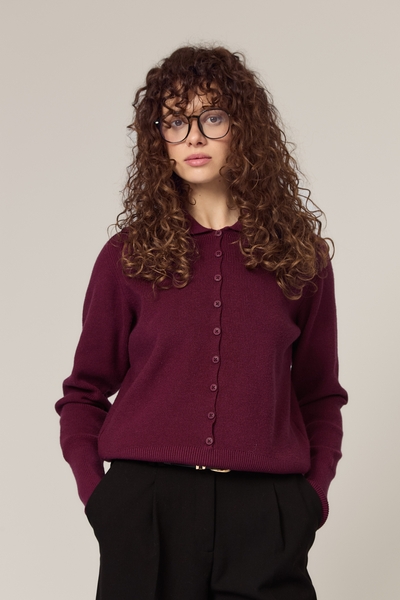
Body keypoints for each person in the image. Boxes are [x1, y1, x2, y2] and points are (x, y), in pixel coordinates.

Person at [56, 45, 347, 600]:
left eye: (212, 117)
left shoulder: (299, 257)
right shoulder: (129, 256)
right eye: (175, 122)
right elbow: (84, 393)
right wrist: (101, 498)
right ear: (158, 141)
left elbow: (320, 395)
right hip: (147, 511)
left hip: (266, 513)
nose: (193, 137)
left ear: (244, 129)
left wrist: (310, 498)